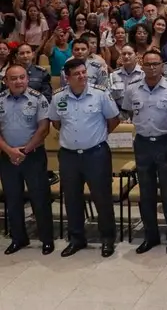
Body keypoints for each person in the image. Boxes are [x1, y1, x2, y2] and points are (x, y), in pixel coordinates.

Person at [49, 58, 120, 258]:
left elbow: (113, 120)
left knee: (102, 198)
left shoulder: (100, 94)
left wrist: (98, 136)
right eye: (76, 74)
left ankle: (107, 239)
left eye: (83, 72)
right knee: (72, 198)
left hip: (96, 154)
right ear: (67, 77)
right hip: (69, 156)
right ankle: (76, 239)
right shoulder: (58, 97)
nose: (82, 76)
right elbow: (56, 122)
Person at [121, 49, 167, 255]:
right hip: (142, 144)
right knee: (146, 192)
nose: (152, 68)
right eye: (148, 64)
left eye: (155, 64)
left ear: (162, 66)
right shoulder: (132, 89)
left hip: (165, 143)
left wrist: (165, 130)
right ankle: (151, 236)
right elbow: (130, 111)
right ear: (142, 65)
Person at [0, 64, 54, 255]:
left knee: (40, 198)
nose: (18, 81)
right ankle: (18, 239)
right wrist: (10, 151)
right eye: (13, 78)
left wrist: (25, 150)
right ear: (5, 81)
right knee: (13, 199)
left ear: (27, 79)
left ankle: (46, 239)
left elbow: (44, 128)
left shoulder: (38, 98)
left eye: (22, 77)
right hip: (7, 157)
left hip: (33, 156)